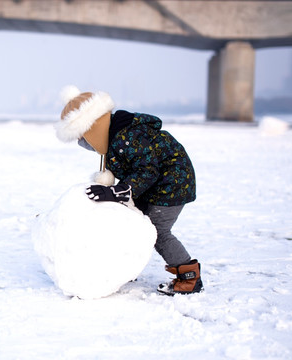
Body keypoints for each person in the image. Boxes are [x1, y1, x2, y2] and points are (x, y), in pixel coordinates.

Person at [55, 86, 203, 296]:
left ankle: (189, 277)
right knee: (133, 221)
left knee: (158, 231)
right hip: (154, 184)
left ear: (93, 129)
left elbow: (148, 169)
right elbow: (131, 168)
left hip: (173, 183)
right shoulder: (115, 137)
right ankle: (126, 267)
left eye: (83, 139)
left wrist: (120, 191)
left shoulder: (126, 136)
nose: (85, 145)